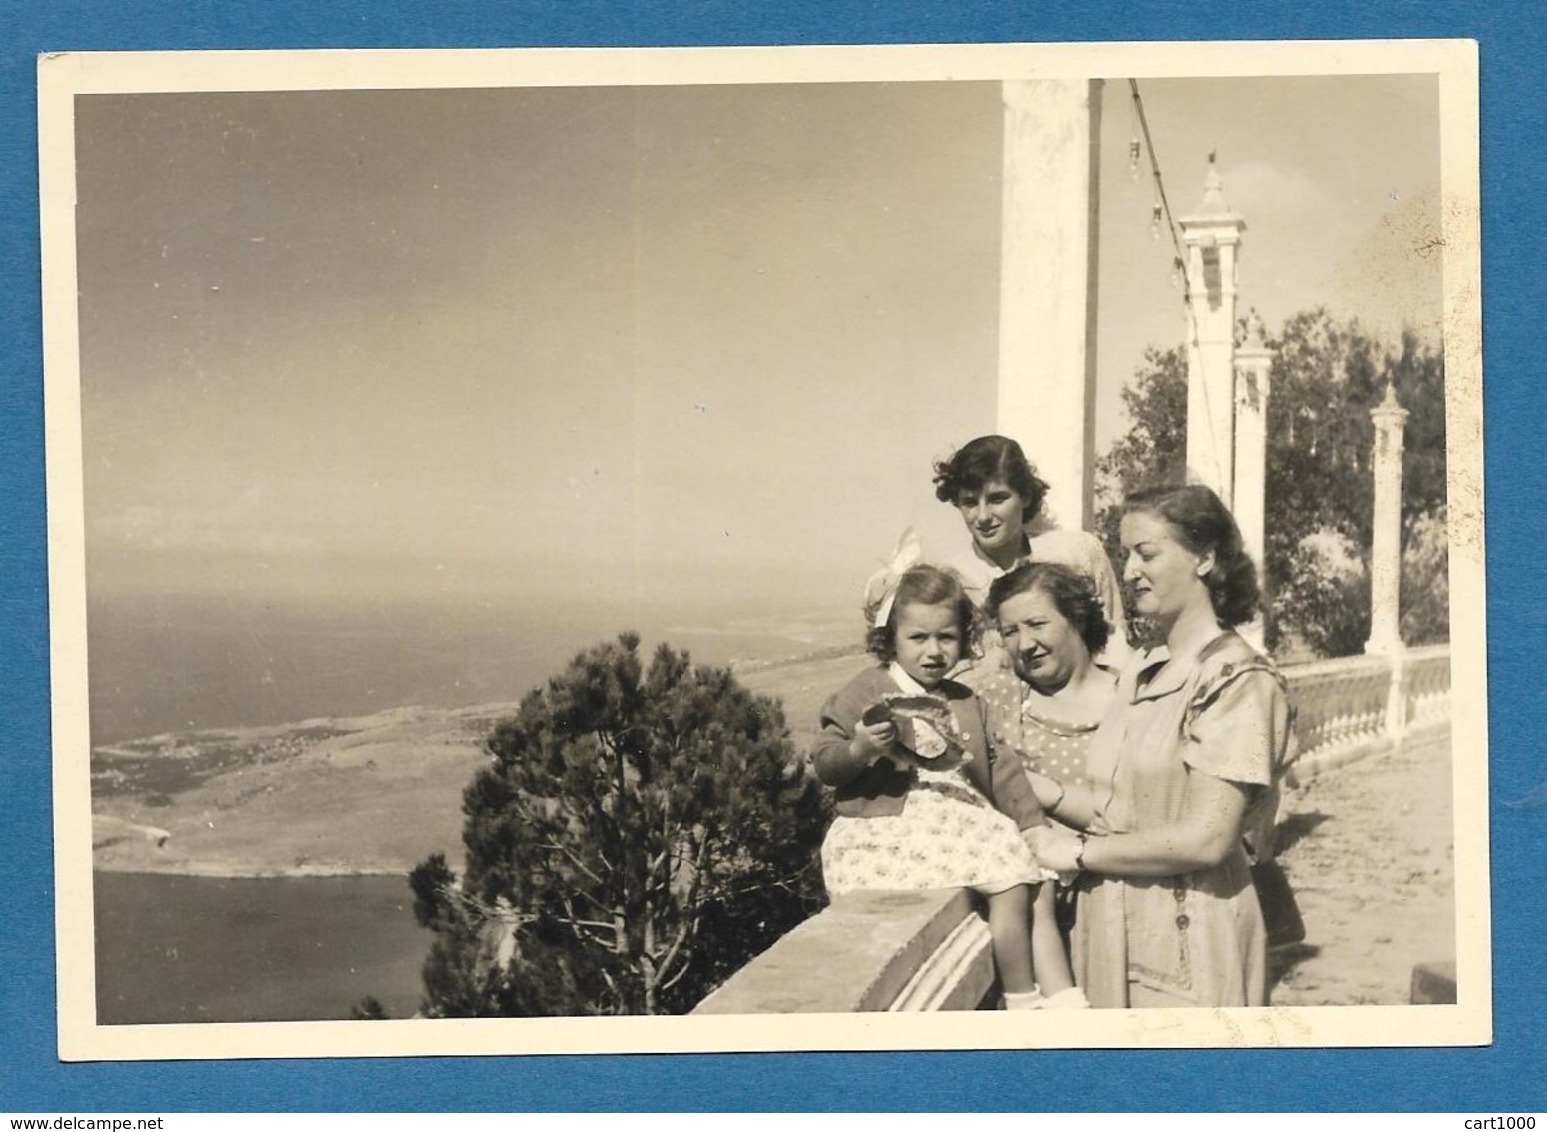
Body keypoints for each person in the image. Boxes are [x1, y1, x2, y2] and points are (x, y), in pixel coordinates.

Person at [1028, 484, 1293, 1008]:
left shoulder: (1238, 680)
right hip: (1109, 926)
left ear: (1206, 557)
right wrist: (1041, 791)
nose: (1127, 572)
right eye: (1125, 555)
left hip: (1188, 937)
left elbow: (1206, 839)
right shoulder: (1143, 671)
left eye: (1146, 553)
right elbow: (1121, 813)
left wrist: (1078, 854)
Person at [809, 562, 1077, 1009]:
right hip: (885, 823)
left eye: (946, 637)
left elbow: (1001, 767)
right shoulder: (864, 691)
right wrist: (858, 750)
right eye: (918, 638)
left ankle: (1022, 995)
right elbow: (826, 763)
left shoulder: (965, 700)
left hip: (958, 819)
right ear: (890, 637)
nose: (933, 651)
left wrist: (1031, 825)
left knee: (1014, 880)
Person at [975, 561, 1118, 994]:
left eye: (1037, 624)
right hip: (1032, 923)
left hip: (1119, 910)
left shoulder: (1135, 701)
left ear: (1076, 617)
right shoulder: (995, 699)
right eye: (1011, 631)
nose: (1025, 644)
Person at [932, 435, 1126, 673]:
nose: (982, 516)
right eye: (970, 502)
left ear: (1025, 496)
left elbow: (1115, 643)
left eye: (997, 499)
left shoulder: (1077, 552)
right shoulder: (949, 578)